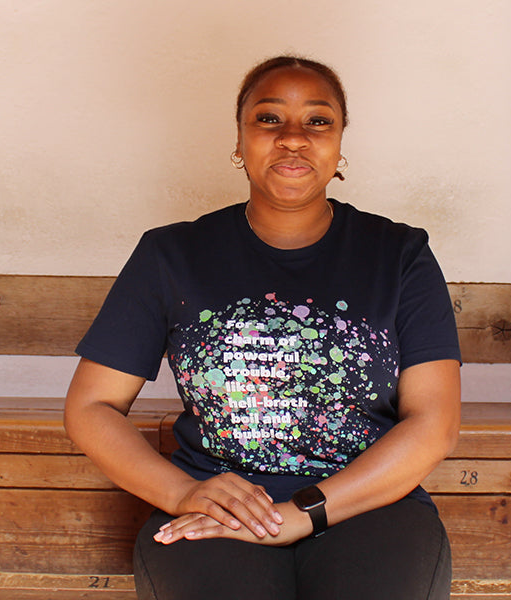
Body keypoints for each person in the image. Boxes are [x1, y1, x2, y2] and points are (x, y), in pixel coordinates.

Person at [64, 55, 461, 600]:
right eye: (269, 119)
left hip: (370, 505)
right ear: (239, 140)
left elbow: (434, 424)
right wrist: (183, 493)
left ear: (340, 142)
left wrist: (302, 513)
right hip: (217, 509)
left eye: (318, 121)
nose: (293, 138)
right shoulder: (171, 254)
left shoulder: (400, 254)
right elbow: (90, 407)